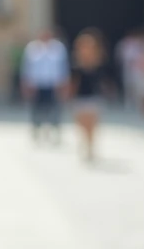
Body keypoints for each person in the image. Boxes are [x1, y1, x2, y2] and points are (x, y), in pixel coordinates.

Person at [21, 28, 71, 145]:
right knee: (37, 109)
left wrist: (65, 84)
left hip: (54, 84)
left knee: (54, 108)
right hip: (37, 84)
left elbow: (63, 67)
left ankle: (55, 130)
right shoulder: (32, 48)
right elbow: (26, 67)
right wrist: (26, 84)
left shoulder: (58, 48)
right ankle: (37, 130)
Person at [69, 29, 107, 162]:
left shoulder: (99, 63)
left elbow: (103, 81)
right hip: (80, 97)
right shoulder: (76, 64)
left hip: (93, 97)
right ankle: (84, 144)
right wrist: (69, 95)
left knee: (92, 125)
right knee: (81, 124)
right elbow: (73, 82)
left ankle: (90, 148)